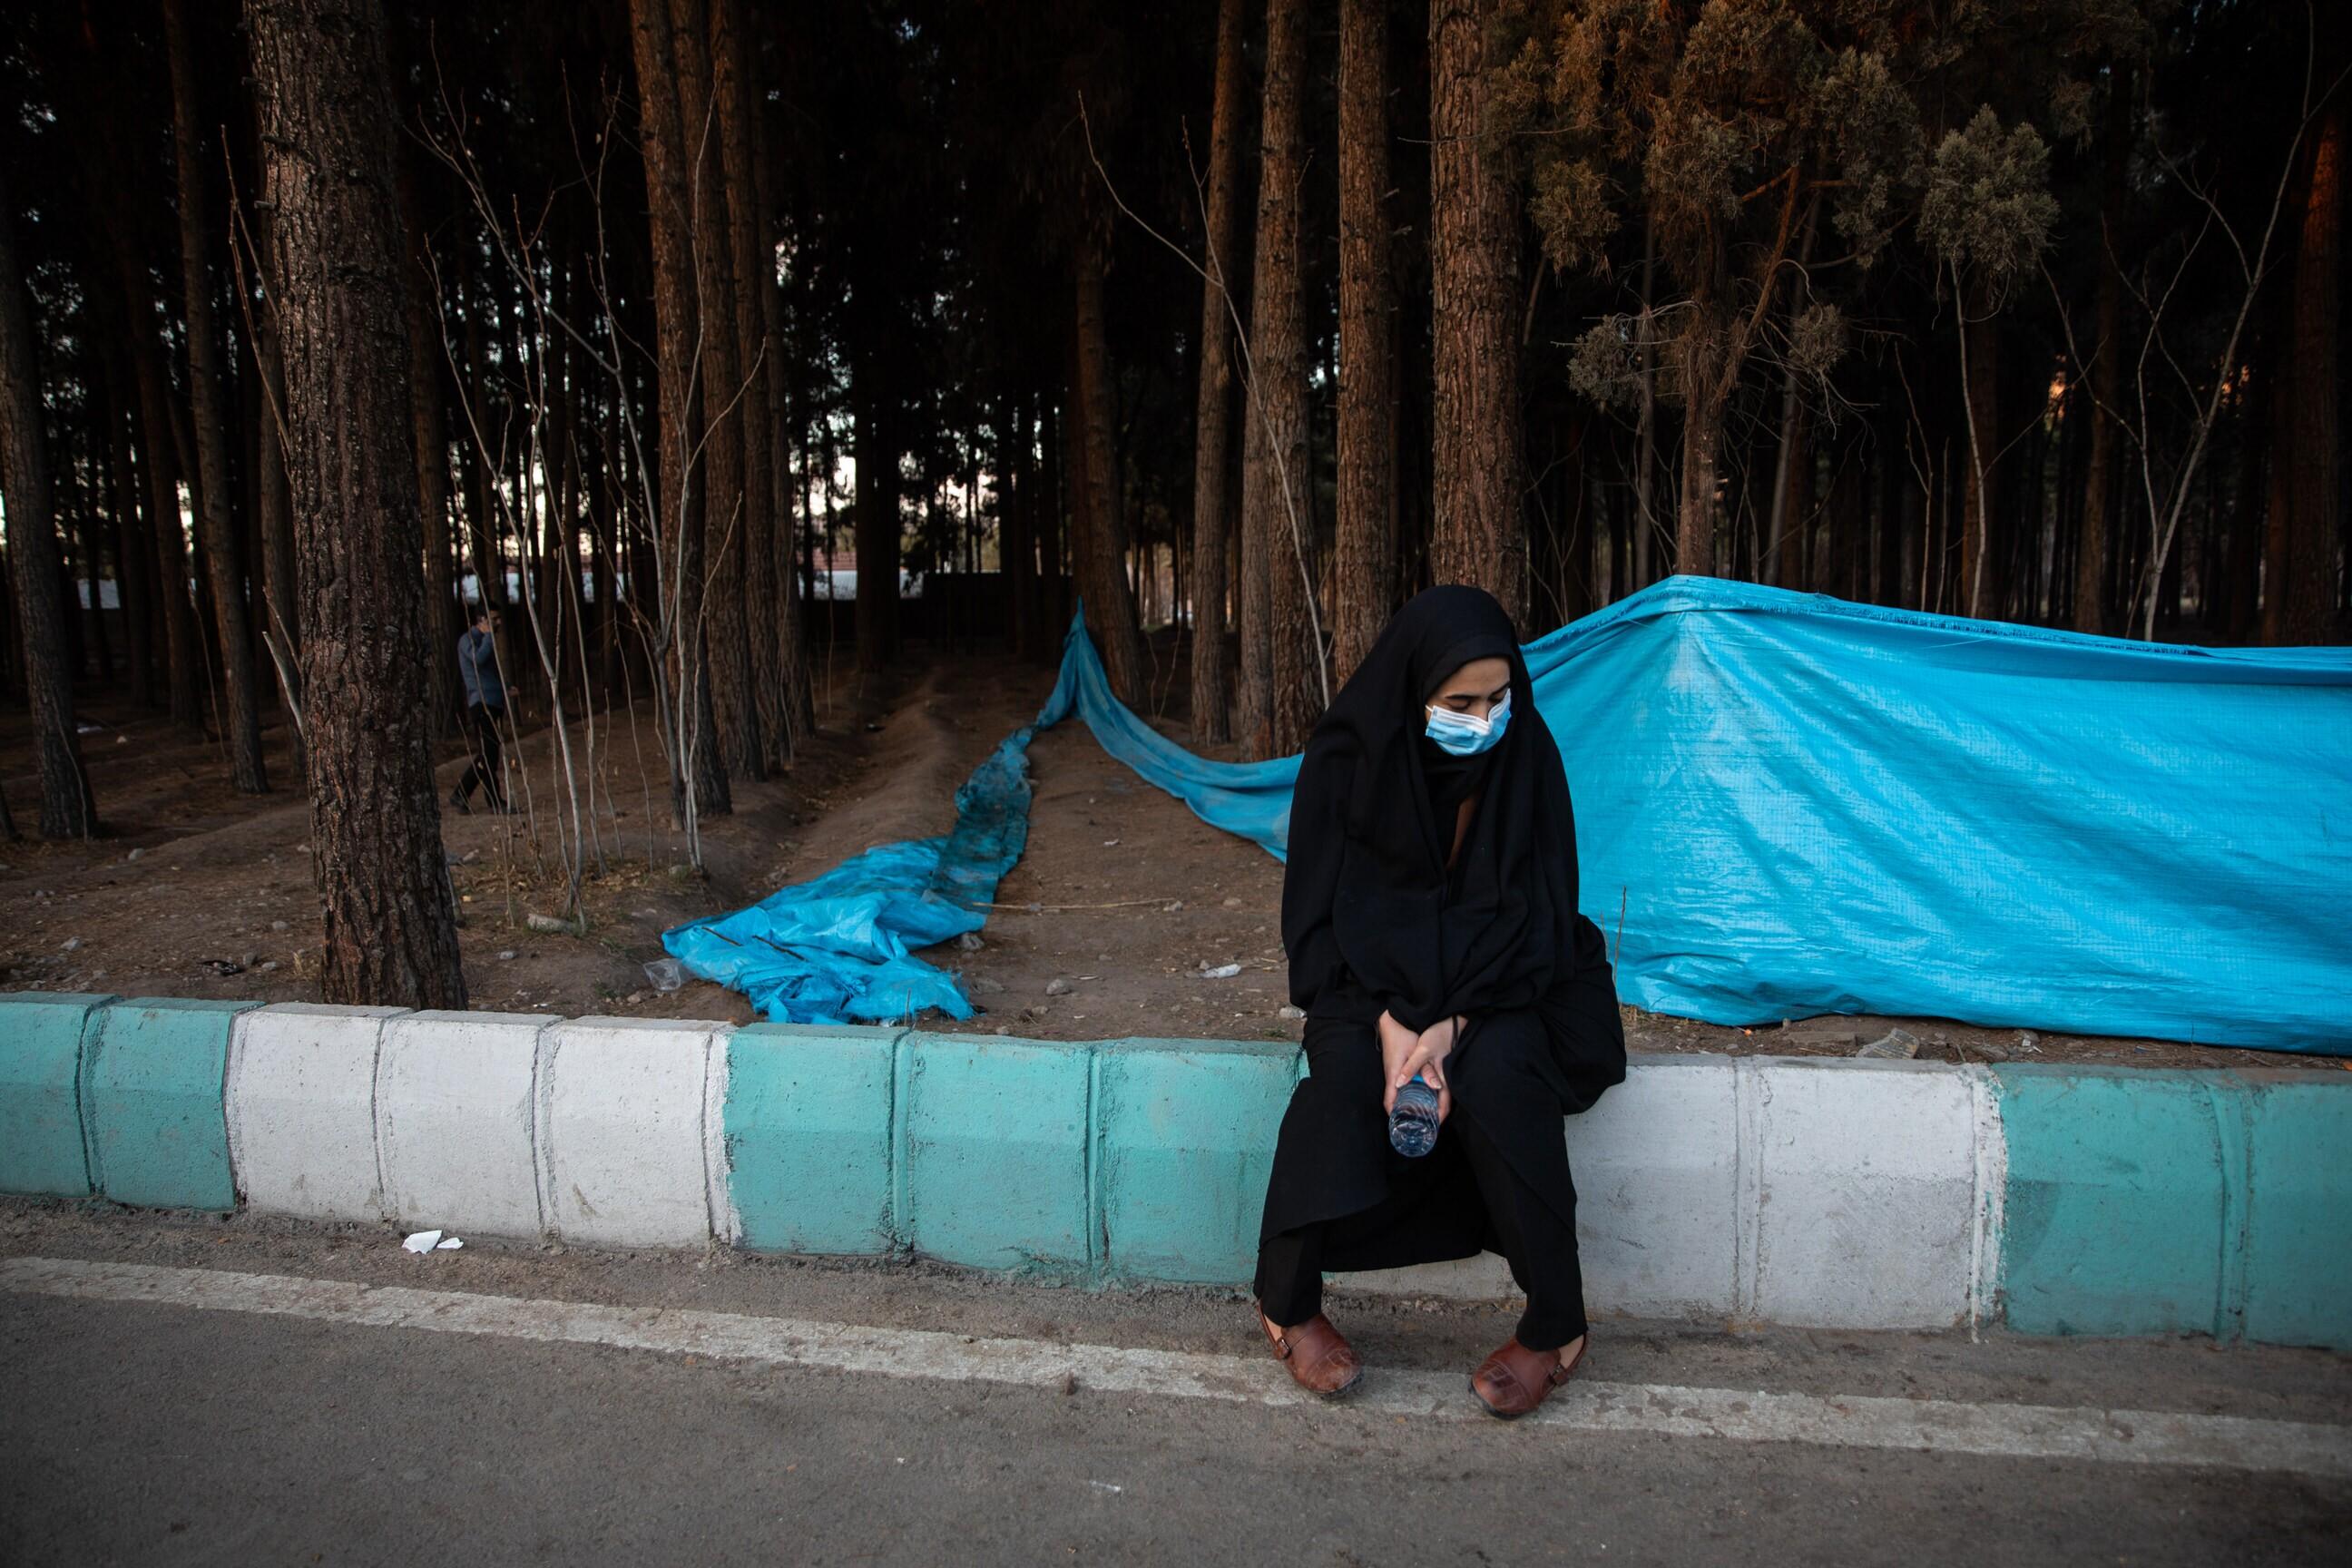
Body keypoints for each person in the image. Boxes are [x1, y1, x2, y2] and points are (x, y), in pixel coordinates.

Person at [1254, 584, 1627, 1418]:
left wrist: (1455, 1024)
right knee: (1347, 1085)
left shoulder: (1527, 756)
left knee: (1502, 1073)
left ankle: (1557, 1326)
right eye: (1460, 704)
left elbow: (1540, 918)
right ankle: (1287, 1302)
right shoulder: (1347, 761)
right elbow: (1314, 933)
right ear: (1414, 688)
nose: (1485, 721)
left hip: (1499, 979)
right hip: (1364, 983)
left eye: (1499, 698)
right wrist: (1390, 1022)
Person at [450, 605, 514, 815]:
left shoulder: (486, 641)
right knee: (488, 755)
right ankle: (492, 801)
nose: (499, 623)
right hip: (482, 703)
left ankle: (462, 794)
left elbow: (490, 672)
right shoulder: (468, 640)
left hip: (494, 702)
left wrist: (506, 687)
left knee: (489, 754)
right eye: (494, 619)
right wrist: (487, 637)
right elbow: (478, 660)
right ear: (482, 620)